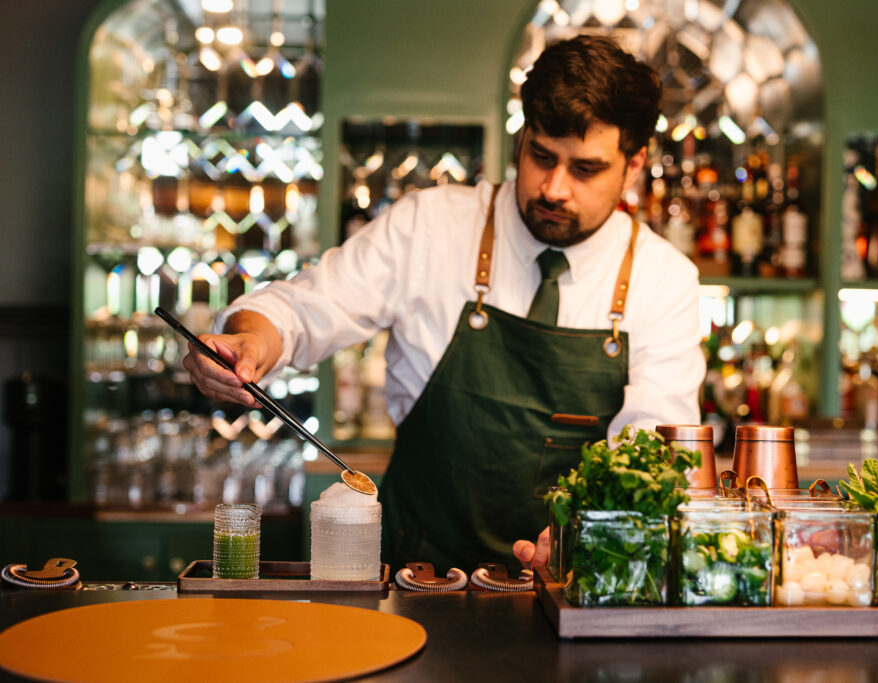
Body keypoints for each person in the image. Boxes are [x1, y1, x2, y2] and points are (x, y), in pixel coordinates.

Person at [183, 34, 705, 573]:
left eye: (585, 169)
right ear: (521, 138)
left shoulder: (664, 281)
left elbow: (653, 449)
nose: (553, 188)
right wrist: (253, 338)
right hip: (415, 576)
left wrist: (595, 526)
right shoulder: (429, 227)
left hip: (566, 584)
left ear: (635, 164)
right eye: (541, 156)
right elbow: (305, 306)